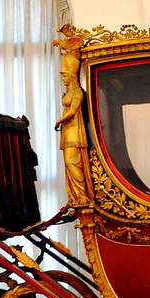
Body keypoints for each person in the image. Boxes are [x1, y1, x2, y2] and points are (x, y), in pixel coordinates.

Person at [55, 50, 90, 207]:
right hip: (67, 130)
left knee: (72, 162)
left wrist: (58, 121)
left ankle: (82, 195)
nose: (63, 78)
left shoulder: (77, 92)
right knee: (69, 164)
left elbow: (72, 111)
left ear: (71, 76)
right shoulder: (69, 92)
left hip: (75, 131)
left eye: (64, 75)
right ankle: (74, 196)